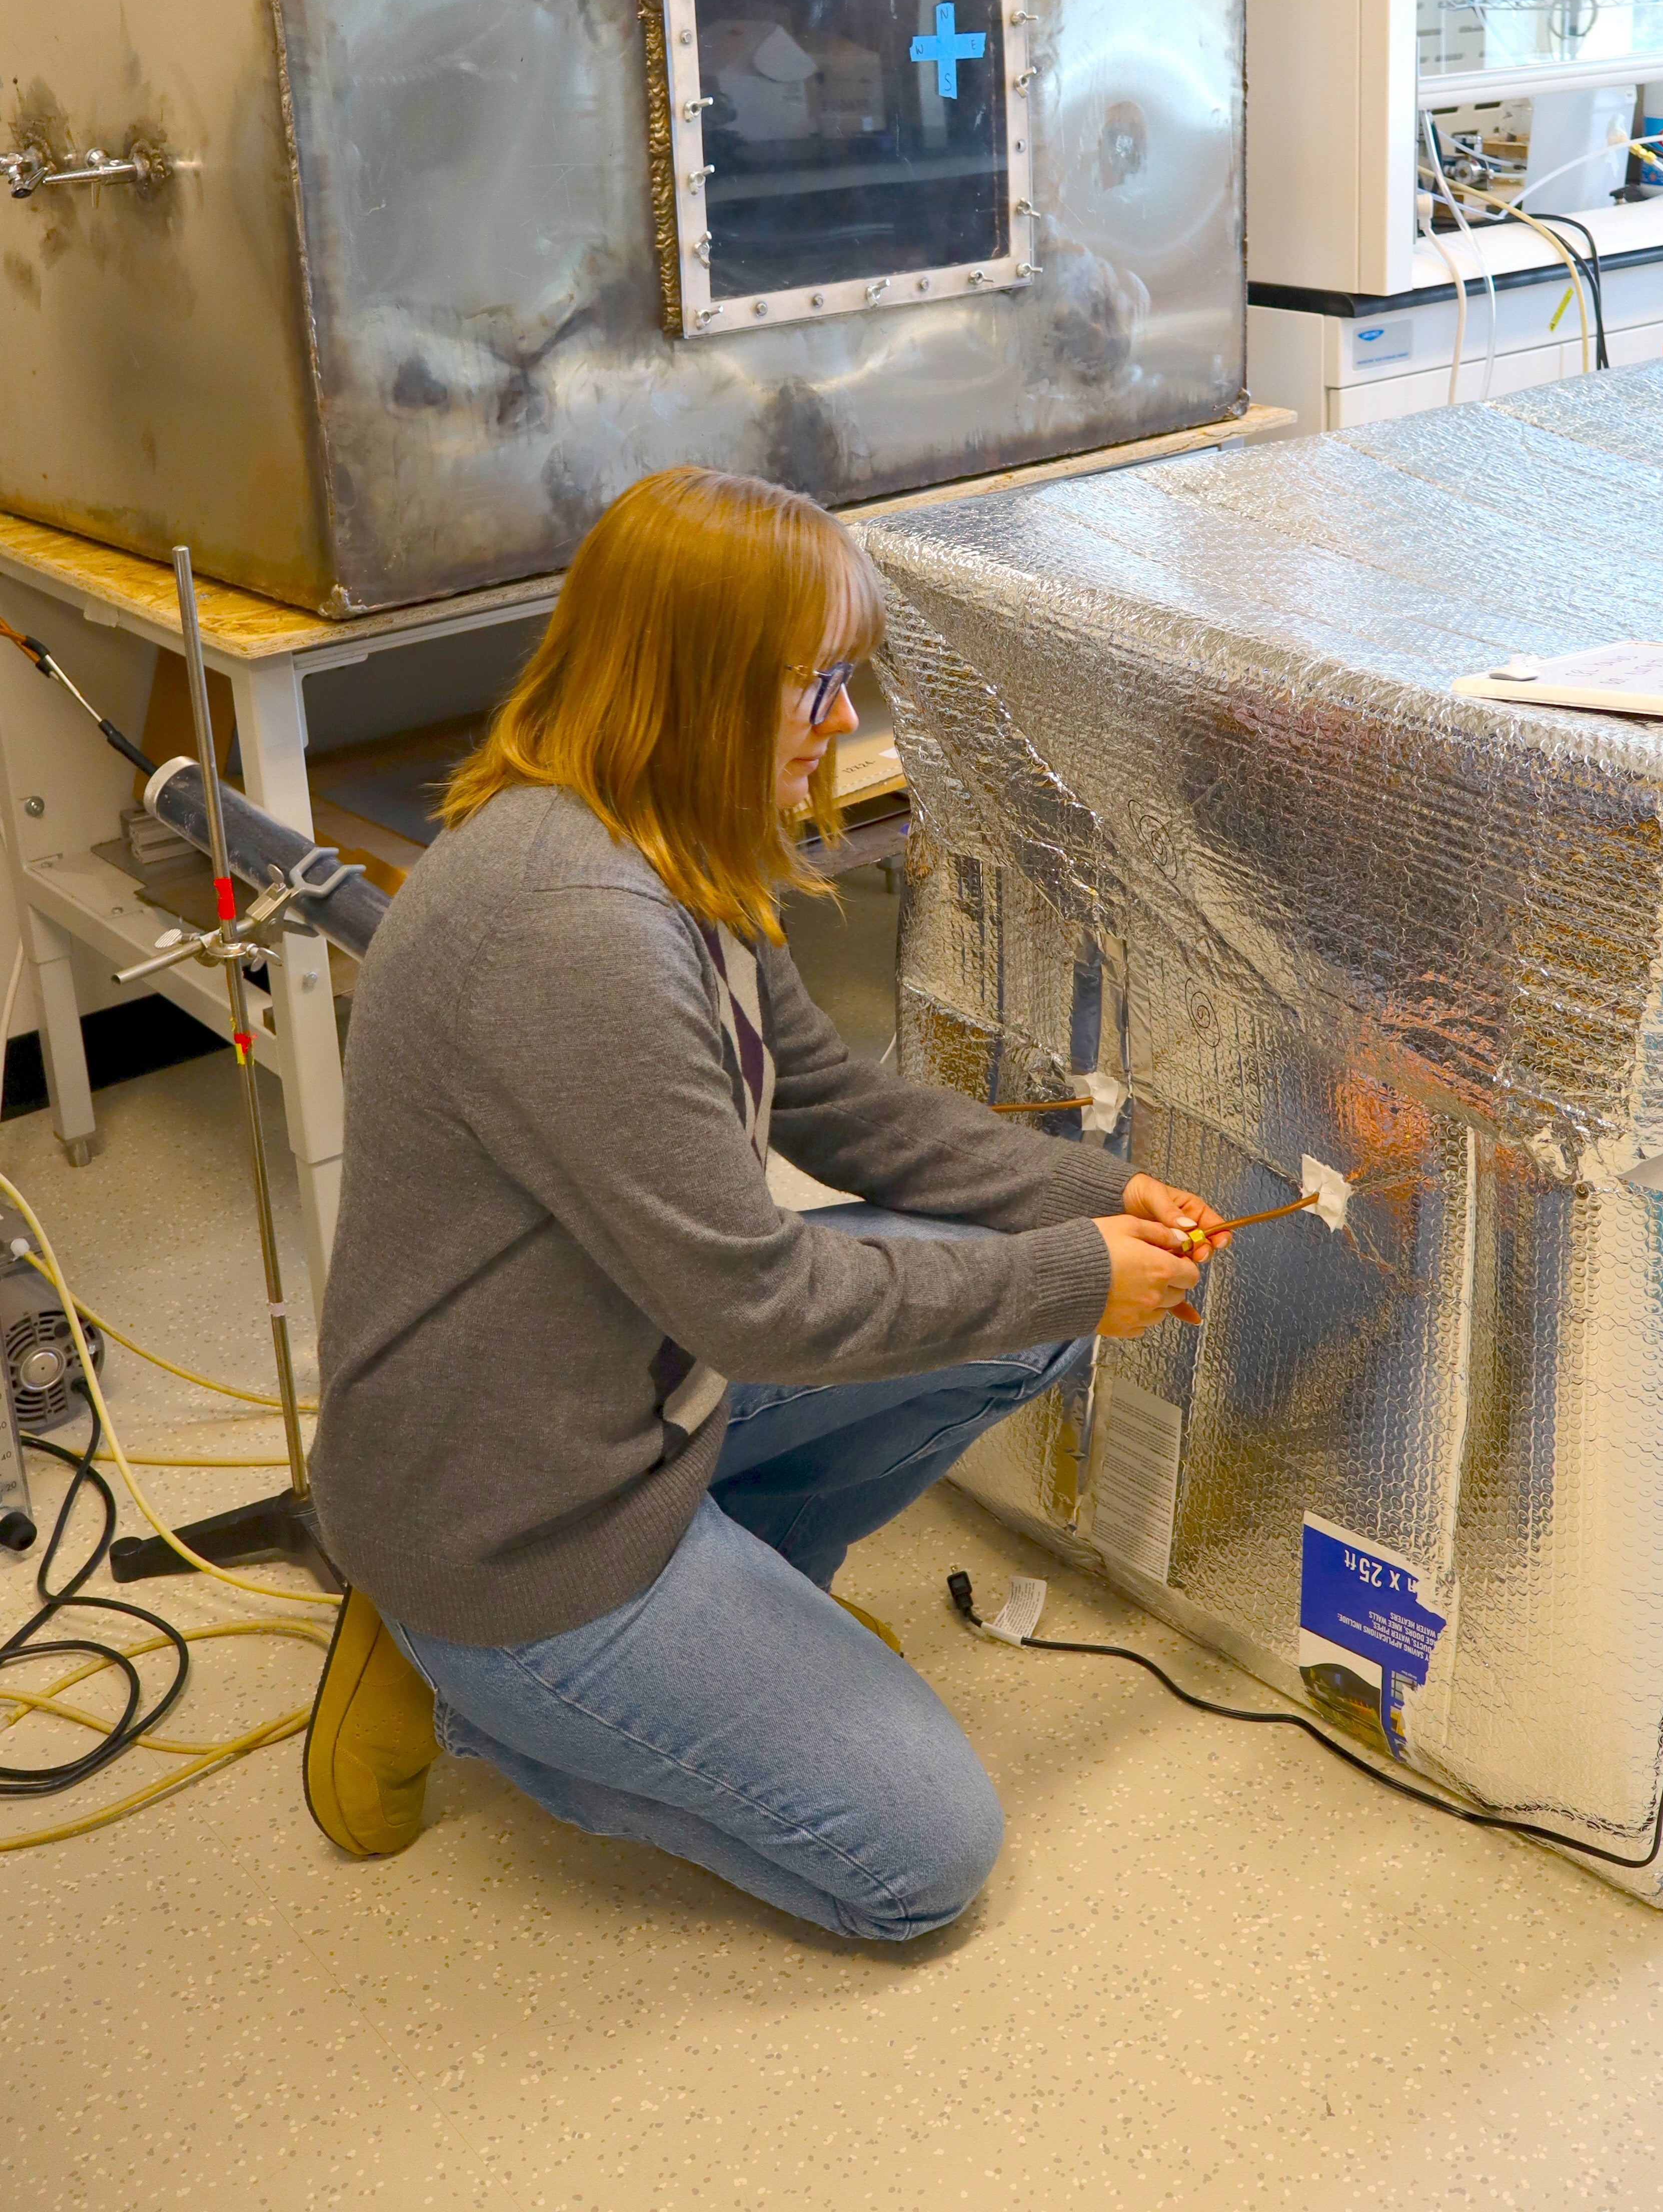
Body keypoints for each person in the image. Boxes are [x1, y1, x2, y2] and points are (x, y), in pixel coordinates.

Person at [302, 464, 1227, 1941]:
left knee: (1025, 1314)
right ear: (692, 685)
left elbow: (850, 1112)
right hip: (510, 1516)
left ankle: (734, 1614)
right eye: (817, 690)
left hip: (623, 1398)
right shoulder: (575, 934)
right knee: (924, 1864)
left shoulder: (671, 850)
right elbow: (764, 1305)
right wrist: (1074, 1272)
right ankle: (492, 1700)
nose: (844, 729)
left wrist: (1098, 1199)